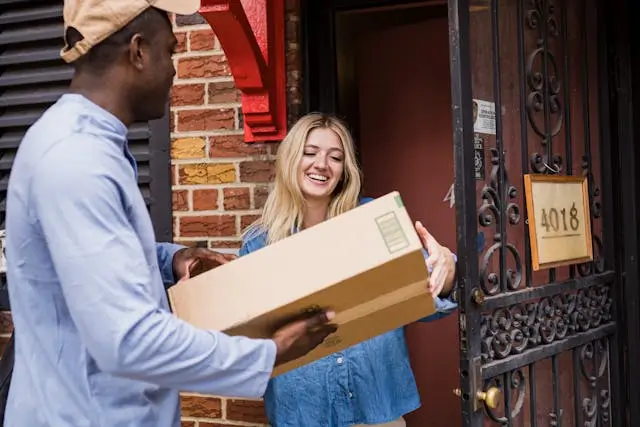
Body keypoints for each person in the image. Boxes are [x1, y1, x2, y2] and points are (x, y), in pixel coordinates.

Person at [3, 2, 336, 426]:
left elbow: (97, 255)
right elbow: (129, 340)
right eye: (171, 51)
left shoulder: (94, 147)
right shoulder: (75, 159)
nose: (174, 70)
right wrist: (269, 353)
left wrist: (173, 258)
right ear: (139, 52)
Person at [240, 113, 459, 427]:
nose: (322, 164)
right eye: (310, 152)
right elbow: (252, 339)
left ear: (344, 170)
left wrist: (447, 269)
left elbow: (425, 293)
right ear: (290, 159)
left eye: (335, 157)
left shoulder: (374, 221)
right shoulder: (257, 245)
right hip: (303, 412)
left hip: (377, 408)